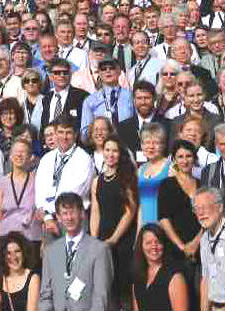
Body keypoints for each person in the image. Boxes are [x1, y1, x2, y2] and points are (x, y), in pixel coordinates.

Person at [38, 192, 112, 311]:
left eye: (72, 212)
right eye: (64, 213)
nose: (69, 217)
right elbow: (45, 296)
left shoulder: (99, 250)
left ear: (82, 214)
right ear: (58, 217)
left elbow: (101, 297)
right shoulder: (50, 252)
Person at [89, 134, 136, 305]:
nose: (110, 154)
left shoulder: (127, 177)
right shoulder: (97, 181)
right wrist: (94, 239)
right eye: (107, 150)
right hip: (102, 239)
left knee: (123, 287)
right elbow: (95, 211)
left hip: (122, 239)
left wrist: (114, 239)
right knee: (105, 289)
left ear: (120, 153)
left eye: (114, 151)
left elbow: (130, 212)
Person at [34, 118, 94, 238]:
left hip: (73, 219)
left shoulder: (84, 159)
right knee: (51, 256)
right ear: (55, 134)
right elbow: (40, 192)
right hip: (49, 222)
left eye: (68, 133)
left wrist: (50, 212)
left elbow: (74, 194)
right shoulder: (47, 159)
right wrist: (48, 217)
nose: (64, 137)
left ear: (76, 135)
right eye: (61, 132)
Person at [157, 140, 201, 264]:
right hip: (174, 249)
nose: (185, 161)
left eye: (188, 156)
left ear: (194, 158)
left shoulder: (202, 184)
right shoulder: (166, 184)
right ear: (174, 160)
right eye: (180, 157)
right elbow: (164, 218)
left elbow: (207, 218)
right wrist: (182, 247)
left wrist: (195, 243)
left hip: (200, 247)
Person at [0, 139, 41, 245]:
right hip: (6, 237)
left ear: (30, 157)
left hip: (31, 238)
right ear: (10, 156)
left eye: (23, 152)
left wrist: (44, 240)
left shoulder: (37, 181)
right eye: (15, 151)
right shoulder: (2, 182)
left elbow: (42, 212)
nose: (19, 155)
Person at [132, 224, 188, 311]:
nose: (154, 246)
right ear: (141, 246)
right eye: (148, 243)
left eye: (158, 242)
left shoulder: (175, 277)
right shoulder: (137, 277)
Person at [0, 231, 40, 311]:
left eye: (17, 251)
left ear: (24, 253)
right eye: (9, 253)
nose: (13, 257)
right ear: (3, 257)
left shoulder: (33, 278)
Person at [135, 123, 171, 227]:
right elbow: (141, 206)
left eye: (155, 143)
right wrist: (138, 235)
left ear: (163, 145)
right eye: (147, 143)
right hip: (146, 230)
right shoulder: (140, 170)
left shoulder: (173, 167)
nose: (151, 147)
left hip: (165, 230)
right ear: (141, 145)